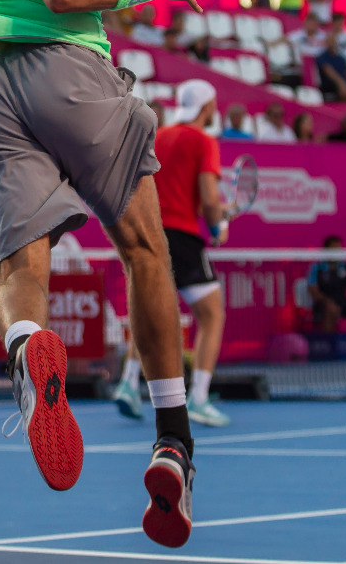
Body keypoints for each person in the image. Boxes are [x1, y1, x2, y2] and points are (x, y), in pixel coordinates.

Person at [0, 0, 343, 538]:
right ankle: (174, 439)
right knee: (145, 248)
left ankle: (28, 346)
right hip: (64, 70)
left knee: (20, 269)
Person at [112, 79, 233, 430]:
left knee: (150, 309)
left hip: (146, 229)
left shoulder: (157, 136)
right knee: (211, 315)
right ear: (208, 107)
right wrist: (218, 226)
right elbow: (208, 199)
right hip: (181, 236)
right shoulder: (204, 141)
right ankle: (199, 398)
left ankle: (128, 383)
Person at [315, 33, 346, 102]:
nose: (331, 43)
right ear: (326, 42)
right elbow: (330, 72)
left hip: (345, 85)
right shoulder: (322, 57)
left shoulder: (341, 58)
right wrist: (343, 85)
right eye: (330, 41)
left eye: (333, 41)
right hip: (331, 86)